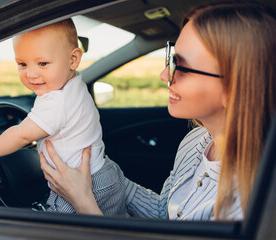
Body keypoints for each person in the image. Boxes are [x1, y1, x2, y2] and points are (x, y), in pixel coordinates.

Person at [39, 2, 276, 220]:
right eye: (172, 58)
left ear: (236, 85)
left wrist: (82, 201)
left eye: (182, 66)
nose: (164, 75)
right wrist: (96, 167)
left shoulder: (254, 199)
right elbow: (165, 213)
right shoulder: (197, 141)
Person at [0, 19, 127, 216]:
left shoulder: (55, 103)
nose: (31, 73)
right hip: (104, 173)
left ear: (73, 59)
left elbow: (22, 135)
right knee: (115, 222)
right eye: (22, 64)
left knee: (56, 228)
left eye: (42, 63)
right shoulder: (75, 84)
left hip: (81, 184)